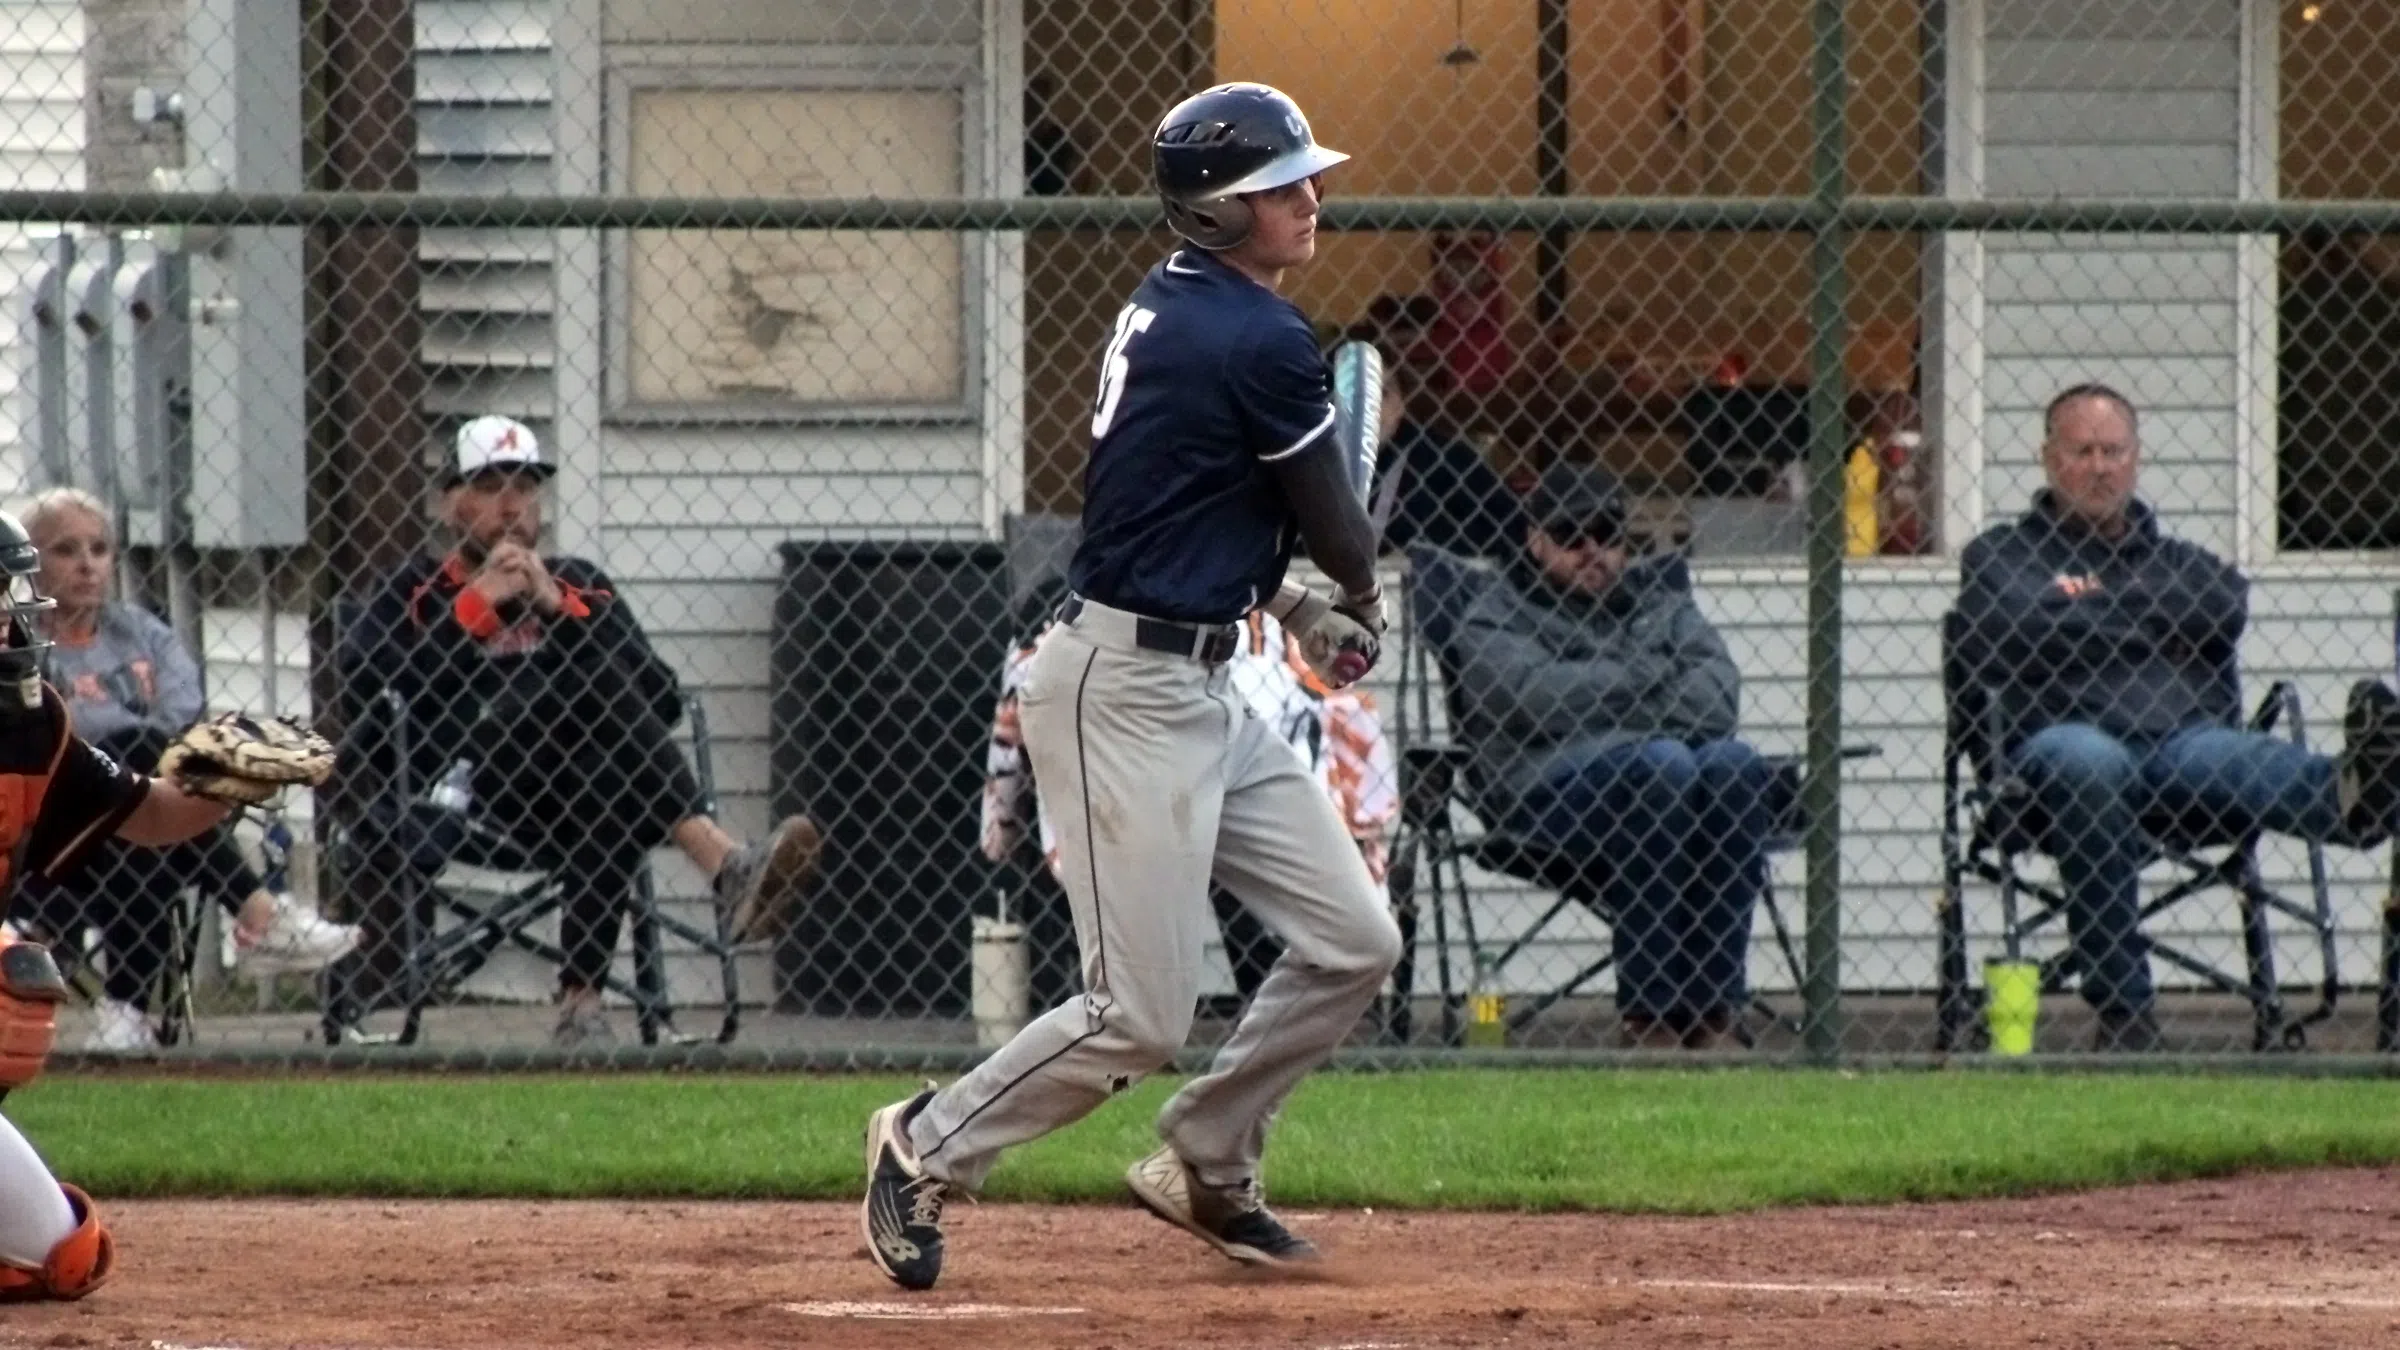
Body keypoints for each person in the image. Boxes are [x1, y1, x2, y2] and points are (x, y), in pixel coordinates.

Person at [862, 82, 1402, 1291]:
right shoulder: (1257, 336)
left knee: (1353, 937)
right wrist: (1355, 602)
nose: (1310, 198)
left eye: (1305, 177)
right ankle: (923, 1143)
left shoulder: (1181, 305)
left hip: (1199, 675)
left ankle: (1209, 1157)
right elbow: (1345, 535)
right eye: (1281, 185)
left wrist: (1288, 602)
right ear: (1218, 211)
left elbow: (1188, 516)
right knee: (1140, 1014)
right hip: (1123, 692)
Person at [328, 416, 822, 1048]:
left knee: (607, 774)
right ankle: (721, 863)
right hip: (469, 786)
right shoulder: (415, 591)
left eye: (526, 487)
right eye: (490, 485)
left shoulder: (578, 583)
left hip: (572, 789)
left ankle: (581, 1008)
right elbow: (375, 695)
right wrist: (474, 610)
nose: (511, 505)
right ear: (451, 501)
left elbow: (660, 698)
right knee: (594, 692)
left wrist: (558, 611)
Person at [1955, 383, 2400, 1051]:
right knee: (2090, 763)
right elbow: (2008, 621)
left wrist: (2084, 606)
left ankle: (2355, 798)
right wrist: (2148, 616)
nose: (2100, 467)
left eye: (2113, 451)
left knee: (2240, 754)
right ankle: (2127, 1012)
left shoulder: (2178, 558)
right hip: (2054, 756)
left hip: (2179, 748)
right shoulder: (2000, 556)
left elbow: (2225, 606)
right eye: (2082, 451)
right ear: (2049, 459)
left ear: (2135, 460)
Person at [0, 506, 301, 1301]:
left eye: (11, 607)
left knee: (64, 1257)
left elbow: (149, 813)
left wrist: (228, 784)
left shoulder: (30, 731)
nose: (9, 627)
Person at [11, 490, 356, 1053]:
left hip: (128, 827)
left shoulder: (141, 632)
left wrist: (117, 738)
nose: (86, 564)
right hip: (50, 834)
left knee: (144, 784)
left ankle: (128, 1010)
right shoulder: (21, 645)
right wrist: (120, 736)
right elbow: (53, 732)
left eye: (99, 549)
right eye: (65, 549)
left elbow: (182, 708)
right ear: (32, 564)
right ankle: (257, 915)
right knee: (139, 756)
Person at [1449, 463, 1768, 1049]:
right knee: (1666, 763)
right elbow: (1536, 699)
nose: (1592, 551)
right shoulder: (1495, 612)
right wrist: (1647, 676)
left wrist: (1594, 692)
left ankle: (1711, 1010)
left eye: (1607, 533)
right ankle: (1649, 1017)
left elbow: (1719, 699)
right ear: (1536, 539)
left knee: (1735, 766)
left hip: (1669, 781)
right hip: (1543, 796)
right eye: (1571, 536)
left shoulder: (1659, 601)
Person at [980, 601, 1398, 1009]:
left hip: (1231, 751)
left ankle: (1242, 1015)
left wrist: (1328, 601)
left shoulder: (1261, 623)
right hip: (1126, 753)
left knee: (1365, 942)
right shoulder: (1066, 624)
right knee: (1143, 1022)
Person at [1369, 354, 1519, 561]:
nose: (1370, 407)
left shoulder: (1444, 456)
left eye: (1382, 394)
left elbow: (1509, 525)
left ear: (1400, 404)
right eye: (1355, 394)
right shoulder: (1314, 462)